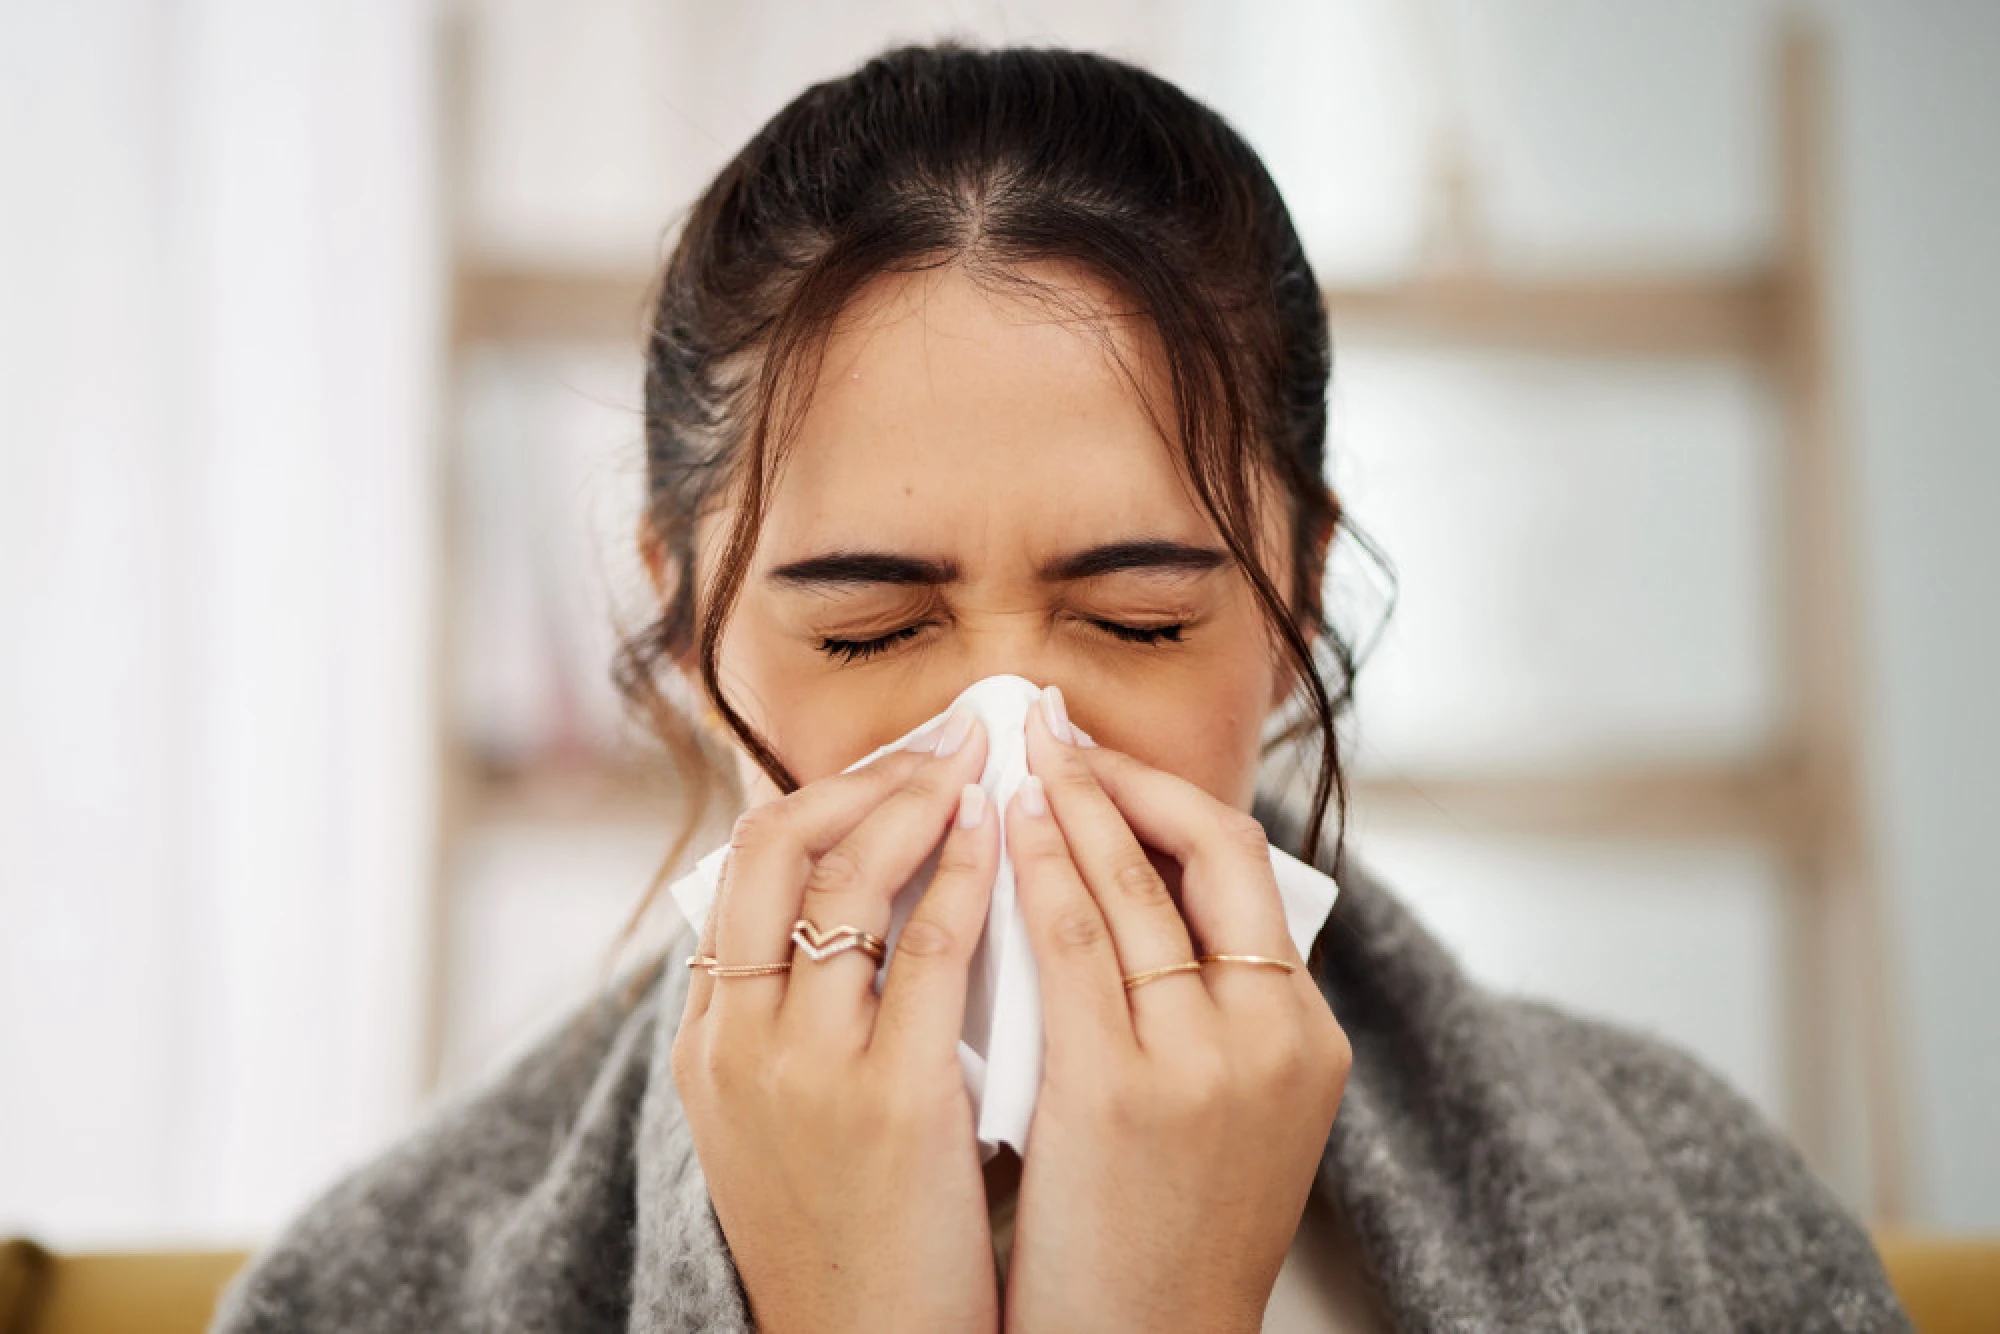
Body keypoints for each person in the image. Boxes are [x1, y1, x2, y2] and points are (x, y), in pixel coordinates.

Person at [210, 41, 1911, 1334]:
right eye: (870, 630)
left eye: (1141, 620)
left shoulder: (1694, 1207)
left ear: (1295, 589)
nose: (1012, 748)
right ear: (685, 621)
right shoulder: (383, 1289)